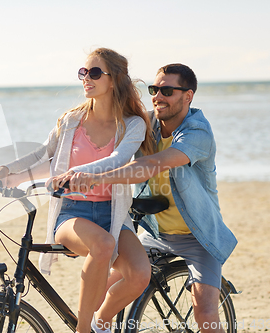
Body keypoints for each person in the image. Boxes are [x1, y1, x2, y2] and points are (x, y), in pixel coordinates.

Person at [0, 48, 155, 333]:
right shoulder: (72, 120)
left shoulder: (131, 125)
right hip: (72, 212)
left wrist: (84, 173)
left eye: (95, 73)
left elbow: (119, 159)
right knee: (102, 245)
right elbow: (42, 155)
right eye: (83, 72)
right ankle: (83, 330)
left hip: (114, 214)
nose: (86, 78)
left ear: (115, 80)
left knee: (139, 276)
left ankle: (101, 322)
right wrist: (7, 171)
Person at [52, 63, 238, 333]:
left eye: (167, 91)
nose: (158, 96)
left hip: (198, 236)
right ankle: (100, 323)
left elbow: (154, 164)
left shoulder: (197, 133)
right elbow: (106, 123)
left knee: (205, 311)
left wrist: (96, 178)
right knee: (103, 285)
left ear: (188, 96)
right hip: (155, 232)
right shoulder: (145, 123)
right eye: (154, 89)